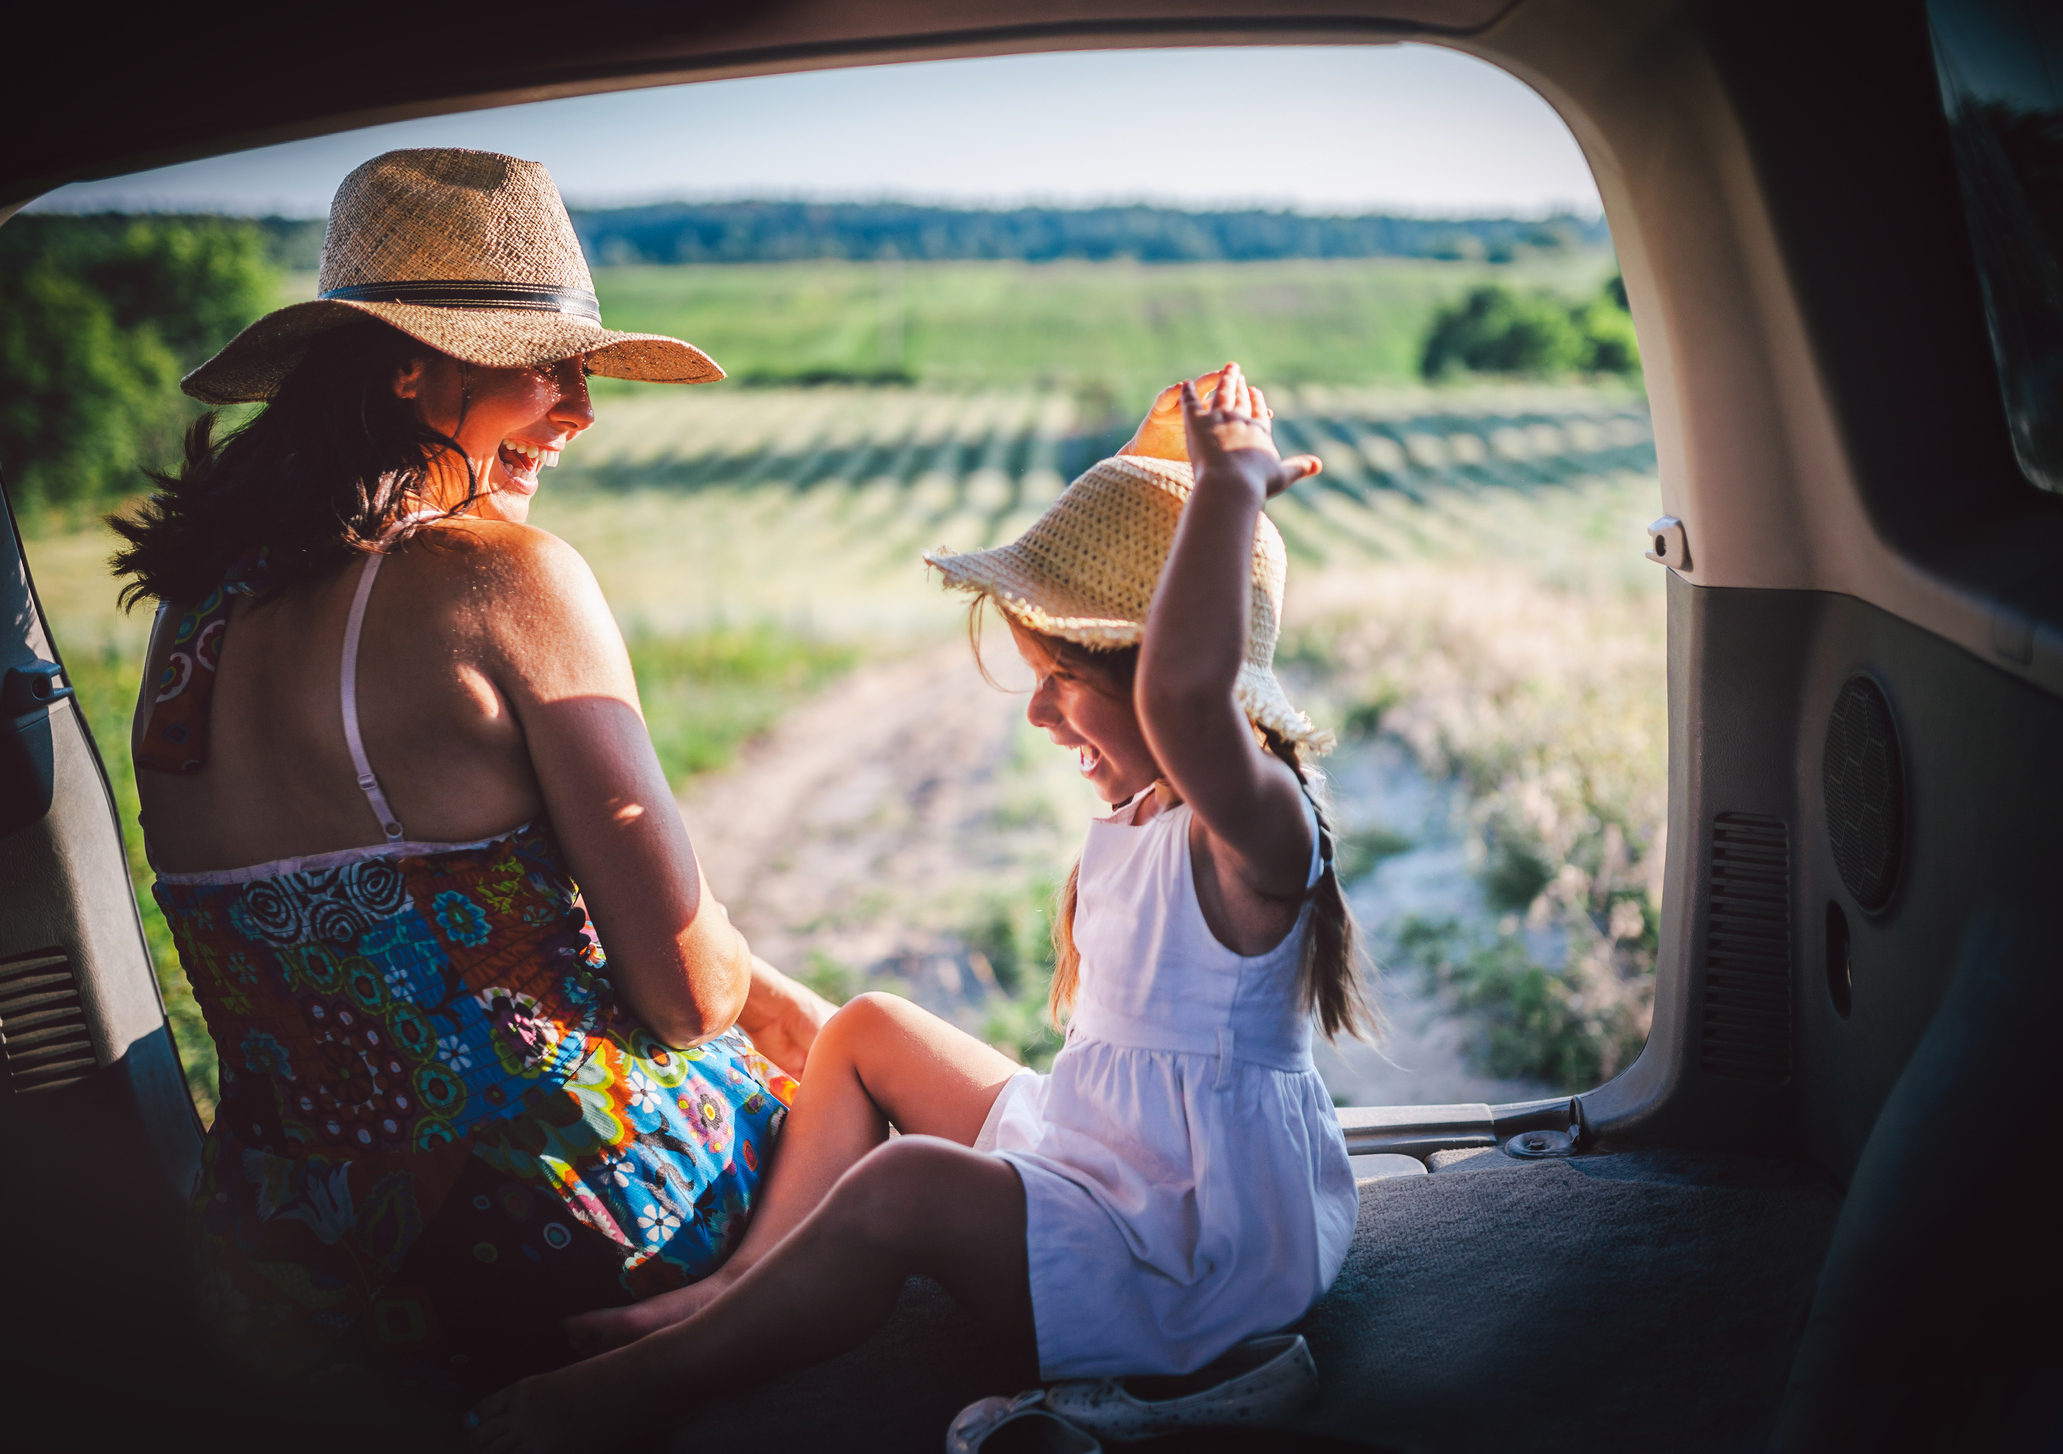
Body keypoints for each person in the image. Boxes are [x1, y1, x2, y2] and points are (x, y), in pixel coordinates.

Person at [466, 362, 1377, 1452]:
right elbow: (1168, 688)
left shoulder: (1256, 832)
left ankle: (634, 1388)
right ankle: (742, 1284)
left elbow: (1185, 692)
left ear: (1148, 669)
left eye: (1062, 675)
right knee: (866, 1027)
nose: (1037, 709)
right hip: (1111, 1153)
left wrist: (1228, 489)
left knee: (901, 1183)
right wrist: (1166, 473)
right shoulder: (1151, 807)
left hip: (1183, 1249)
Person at [111, 148, 833, 1389]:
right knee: (879, 1099)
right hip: (558, 1229)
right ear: (413, 368)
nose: (580, 409)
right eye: (547, 367)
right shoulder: (508, 579)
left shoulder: (194, 621)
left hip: (286, 1274)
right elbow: (688, 1000)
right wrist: (805, 1026)